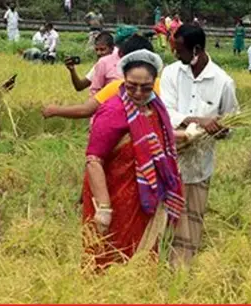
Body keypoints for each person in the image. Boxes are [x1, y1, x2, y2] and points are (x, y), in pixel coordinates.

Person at [82, 49, 185, 269]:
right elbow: (93, 160)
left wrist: (188, 135)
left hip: (145, 197)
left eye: (146, 87)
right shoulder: (112, 111)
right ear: (123, 80)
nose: (138, 93)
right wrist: (104, 208)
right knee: (110, 254)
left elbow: (155, 137)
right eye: (131, 86)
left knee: (143, 254)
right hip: (114, 196)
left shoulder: (154, 106)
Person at [160, 25, 239, 266]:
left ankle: (180, 276)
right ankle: (154, 270)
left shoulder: (223, 82)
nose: (176, 54)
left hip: (198, 167)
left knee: (190, 227)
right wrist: (198, 120)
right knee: (160, 223)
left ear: (196, 50)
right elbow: (166, 112)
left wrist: (221, 129)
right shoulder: (171, 73)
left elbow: (232, 122)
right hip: (168, 163)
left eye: (180, 50)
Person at [41, 35, 159, 120]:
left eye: (103, 49)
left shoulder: (119, 86)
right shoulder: (162, 83)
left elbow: (86, 110)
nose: (138, 93)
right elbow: (84, 88)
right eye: (97, 49)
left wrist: (55, 110)